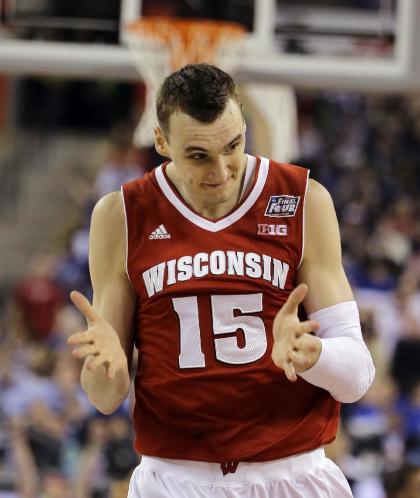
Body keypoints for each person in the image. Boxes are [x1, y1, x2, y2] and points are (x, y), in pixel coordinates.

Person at [67, 63, 375, 498]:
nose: (223, 170)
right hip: (173, 479)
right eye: (199, 155)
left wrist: (313, 355)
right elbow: (104, 396)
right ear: (161, 141)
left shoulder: (304, 200)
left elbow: (358, 377)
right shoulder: (121, 215)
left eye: (233, 145)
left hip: (292, 473)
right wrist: (109, 370)